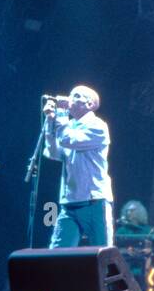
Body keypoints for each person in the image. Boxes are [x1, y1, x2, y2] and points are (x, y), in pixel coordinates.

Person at [42, 85, 113, 248]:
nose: (70, 99)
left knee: (102, 255)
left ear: (89, 104)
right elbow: (54, 152)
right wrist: (50, 120)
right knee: (57, 255)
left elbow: (68, 140)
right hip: (70, 203)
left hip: (94, 201)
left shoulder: (98, 126)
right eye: (70, 95)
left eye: (76, 96)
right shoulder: (68, 125)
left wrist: (59, 116)